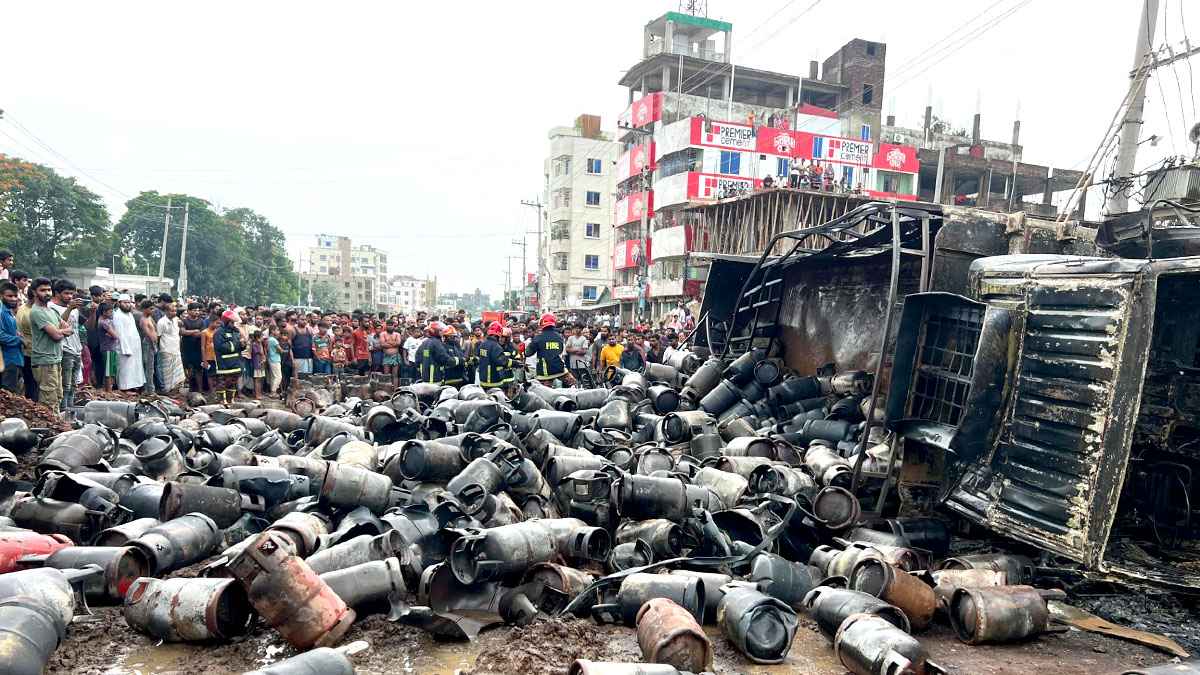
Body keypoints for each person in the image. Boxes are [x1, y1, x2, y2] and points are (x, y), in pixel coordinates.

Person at [29, 277, 72, 412]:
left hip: (56, 358)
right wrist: (62, 331)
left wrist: (61, 331)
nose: (47, 293)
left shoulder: (51, 311)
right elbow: (56, 335)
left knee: (58, 396)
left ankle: (57, 427)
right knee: (48, 401)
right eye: (43, 290)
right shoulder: (37, 312)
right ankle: (48, 431)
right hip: (44, 361)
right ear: (34, 292)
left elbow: (68, 328)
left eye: (49, 290)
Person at [48, 280, 83, 409]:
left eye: (71, 294)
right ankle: (64, 411)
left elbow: (76, 329)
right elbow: (57, 325)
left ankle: (71, 410)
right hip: (64, 349)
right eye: (66, 293)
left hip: (76, 349)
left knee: (74, 384)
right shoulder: (51, 307)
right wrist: (69, 308)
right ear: (57, 293)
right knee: (65, 385)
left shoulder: (75, 309)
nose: (69, 296)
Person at [110, 294, 145, 392]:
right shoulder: (117, 315)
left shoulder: (129, 314)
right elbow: (120, 334)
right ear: (119, 303)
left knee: (134, 368)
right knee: (125, 368)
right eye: (125, 303)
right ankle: (124, 388)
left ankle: (134, 386)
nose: (127, 305)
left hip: (134, 346)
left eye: (129, 302)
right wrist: (125, 349)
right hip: (124, 347)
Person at [527, 312, 568, 387]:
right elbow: (562, 351)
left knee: (545, 394)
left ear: (542, 323)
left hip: (545, 373)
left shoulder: (538, 338)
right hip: (560, 370)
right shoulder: (559, 337)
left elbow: (528, 353)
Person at [212, 310, 243, 404]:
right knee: (223, 382)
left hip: (235, 363)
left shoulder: (236, 331)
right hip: (224, 363)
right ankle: (222, 400)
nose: (234, 325)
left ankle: (230, 400)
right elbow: (221, 347)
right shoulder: (219, 332)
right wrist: (236, 344)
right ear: (226, 321)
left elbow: (239, 347)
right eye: (232, 323)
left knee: (233, 382)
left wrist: (243, 345)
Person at [477, 321, 516, 392]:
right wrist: (515, 363)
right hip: (493, 380)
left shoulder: (482, 344)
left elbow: (478, 356)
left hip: (483, 379)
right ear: (498, 334)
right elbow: (502, 361)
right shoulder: (496, 346)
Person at [156, 302, 185, 392]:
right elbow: (158, 337)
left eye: (175, 311)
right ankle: (166, 391)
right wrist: (159, 349)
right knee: (167, 373)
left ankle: (175, 391)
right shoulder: (161, 322)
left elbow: (181, 324)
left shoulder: (176, 319)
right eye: (172, 311)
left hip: (176, 349)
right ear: (166, 311)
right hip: (166, 350)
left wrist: (180, 321)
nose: (174, 313)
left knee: (177, 373)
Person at [179, 303, 206, 392]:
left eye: (198, 310)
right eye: (194, 310)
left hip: (198, 348)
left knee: (199, 369)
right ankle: (191, 388)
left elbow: (202, 333)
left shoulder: (202, 321)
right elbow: (182, 332)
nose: (196, 312)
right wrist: (194, 331)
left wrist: (189, 332)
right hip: (187, 348)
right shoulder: (184, 321)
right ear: (188, 311)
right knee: (188, 369)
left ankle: (200, 389)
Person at [0, 282, 22, 394]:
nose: (13, 299)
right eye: (9, 296)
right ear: (1, 295)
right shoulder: (1, 312)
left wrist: (17, 334)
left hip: (13, 358)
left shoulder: (9, 312)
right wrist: (20, 340)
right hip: (7, 360)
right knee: (6, 395)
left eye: (15, 296)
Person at [96, 303, 120, 392]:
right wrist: (114, 334)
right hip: (108, 349)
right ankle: (109, 391)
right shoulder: (104, 322)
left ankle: (109, 389)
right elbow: (115, 335)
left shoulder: (105, 321)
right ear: (104, 312)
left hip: (110, 348)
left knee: (111, 370)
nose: (112, 313)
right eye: (110, 311)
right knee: (108, 371)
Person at [137, 299, 158, 395]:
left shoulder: (150, 318)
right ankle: (149, 390)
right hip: (148, 344)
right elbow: (148, 334)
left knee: (151, 368)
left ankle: (149, 389)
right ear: (145, 309)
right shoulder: (143, 320)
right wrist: (153, 345)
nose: (152, 311)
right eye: (151, 309)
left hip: (152, 344)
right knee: (149, 368)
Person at [266, 326, 283, 396]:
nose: (278, 332)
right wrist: (282, 350)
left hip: (271, 359)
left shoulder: (269, 339)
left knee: (273, 376)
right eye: (277, 330)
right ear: (273, 331)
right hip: (275, 359)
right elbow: (280, 350)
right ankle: (273, 391)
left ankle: (272, 391)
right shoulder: (274, 340)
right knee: (279, 376)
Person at [250, 329, 266, 398]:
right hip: (257, 363)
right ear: (257, 337)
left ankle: (258, 393)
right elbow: (259, 353)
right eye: (262, 336)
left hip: (260, 363)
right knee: (257, 380)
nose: (263, 338)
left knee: (259, 380)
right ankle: (257, 394)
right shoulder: (254, 344)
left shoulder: (259, 344)